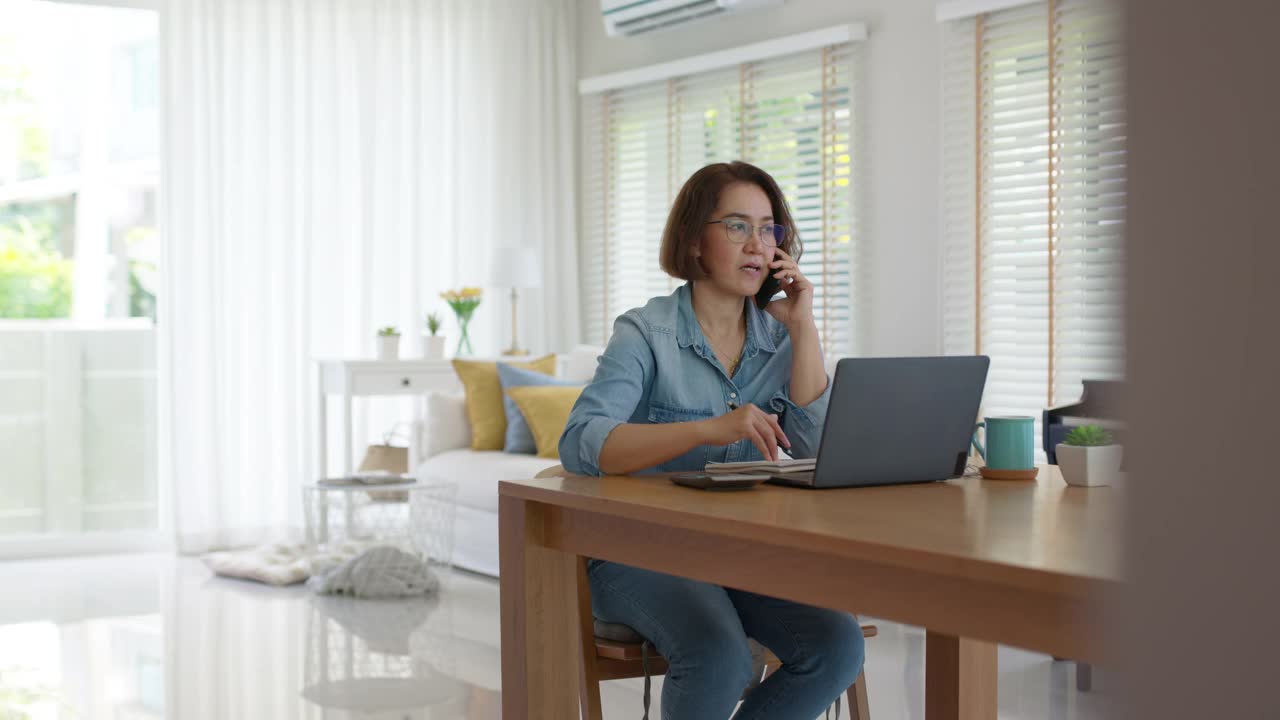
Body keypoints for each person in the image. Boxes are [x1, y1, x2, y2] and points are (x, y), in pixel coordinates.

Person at [559, 161, 864, 719]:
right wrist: (708, 428)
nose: (758, 243)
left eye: (769, 228)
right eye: (738, 226)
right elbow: (583, 443)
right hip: (636, 552)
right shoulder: (644, 332)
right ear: (696, 240)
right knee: (721, 656)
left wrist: (803, 327)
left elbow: (822, 453)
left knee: (838, 644)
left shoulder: (781, 338)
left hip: (737, 555)